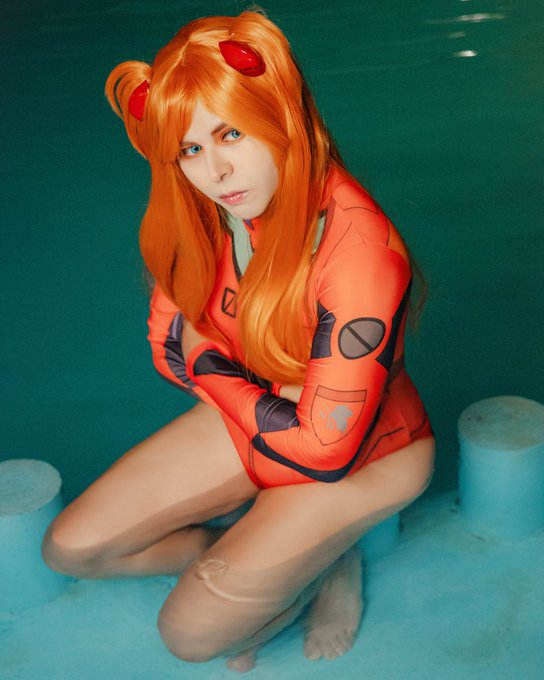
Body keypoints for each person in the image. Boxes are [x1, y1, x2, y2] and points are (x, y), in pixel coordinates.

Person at [41, 10, 435, 672]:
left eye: (230, 133)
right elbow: (165, 349)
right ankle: (289, 561)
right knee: (71, 549)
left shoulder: (359, 254)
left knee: (190, 637)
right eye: (190, 150)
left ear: (280, 113)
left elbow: (324, 450)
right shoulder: (209, 211)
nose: (217, 172)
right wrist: (214, 369)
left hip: (368, 454)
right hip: (259, 412)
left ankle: (324, 567)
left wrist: (207, 362)